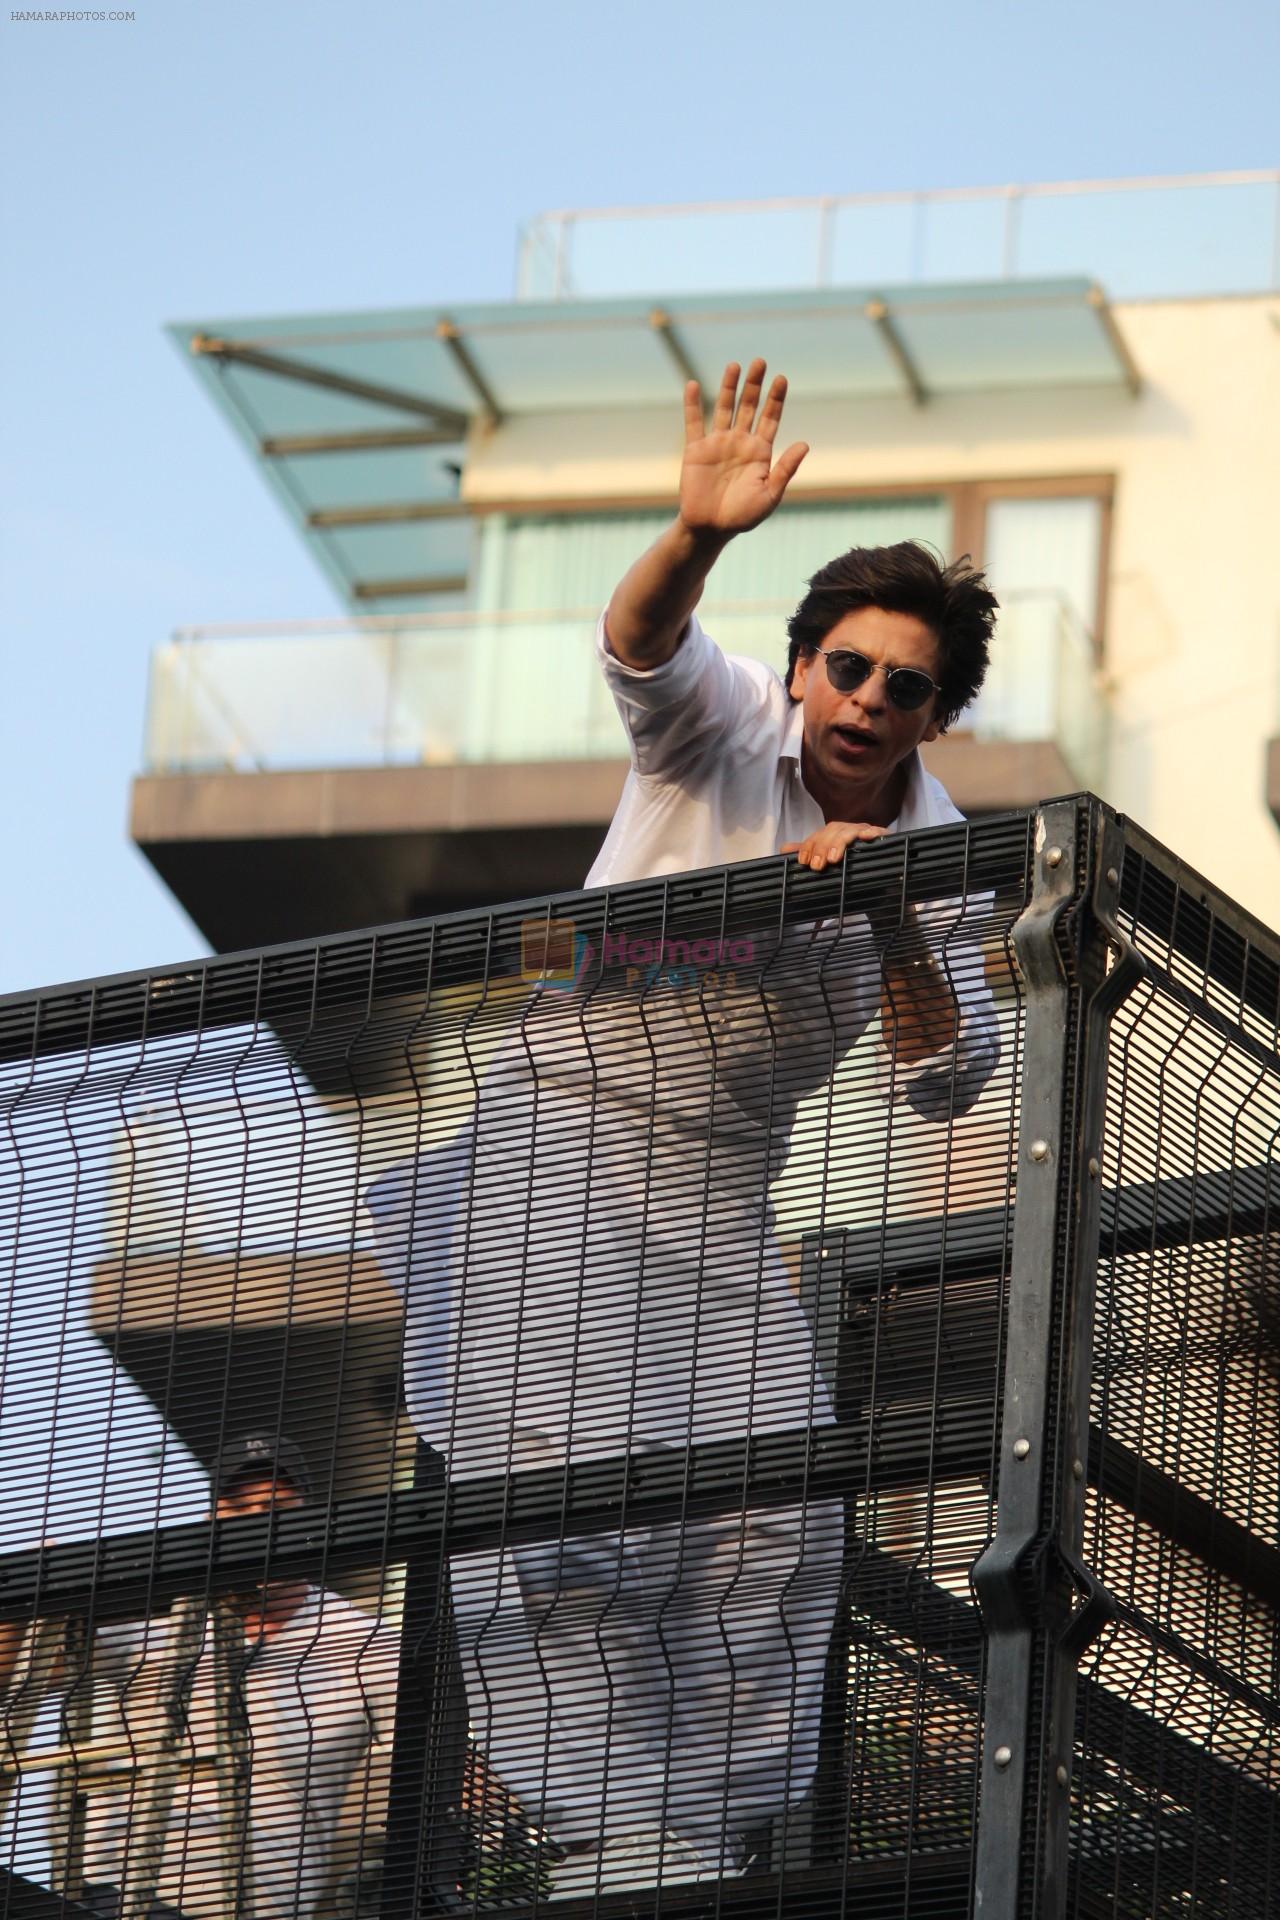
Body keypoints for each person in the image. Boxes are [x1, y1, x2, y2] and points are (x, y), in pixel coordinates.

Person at [366, 358, 1001, 1896]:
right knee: (551, 1498)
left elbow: (949, 1078)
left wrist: (891, 914)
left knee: (773, 1511)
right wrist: (699, 533)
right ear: (797, 671)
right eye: (847, 668)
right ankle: (600, 1832)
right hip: (558, 1139)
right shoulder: (712, 729)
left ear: (941, 712)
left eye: (905, 686)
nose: (867, 701)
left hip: (726, 1189)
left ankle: (697, 1843)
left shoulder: (948, 854)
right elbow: (640, 645)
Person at [0, 1437, 400, 1920]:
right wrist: (25, 1593)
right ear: (213, 1519)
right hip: (109, 1893)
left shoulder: (365, 1642)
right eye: (239, 1507)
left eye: (276, 1506)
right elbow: (18, 1677)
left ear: (309, 1519)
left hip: (258, 1905)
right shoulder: (154, 1617)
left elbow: (430, 1758)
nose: (258, 1521)